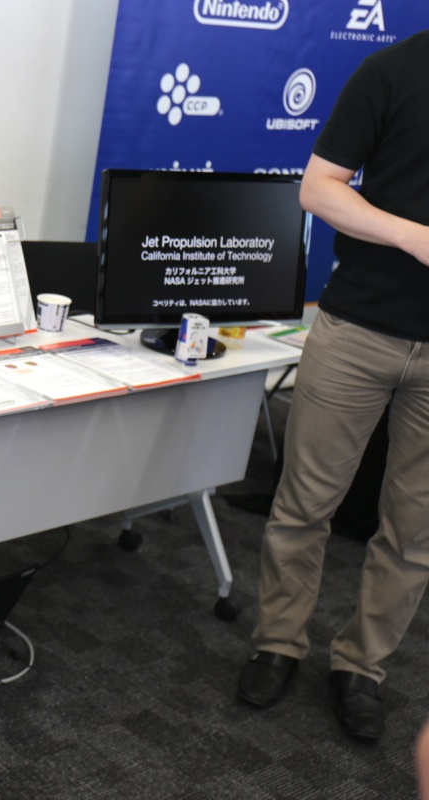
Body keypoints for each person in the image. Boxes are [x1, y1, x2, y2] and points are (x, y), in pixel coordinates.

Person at [236, 31, 429, 742]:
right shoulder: (392, 69)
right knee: (304, 504)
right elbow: (318, 188)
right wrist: (415, 236)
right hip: (357, 331)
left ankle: (362, 667)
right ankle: (279, 642)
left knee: (415, 531)